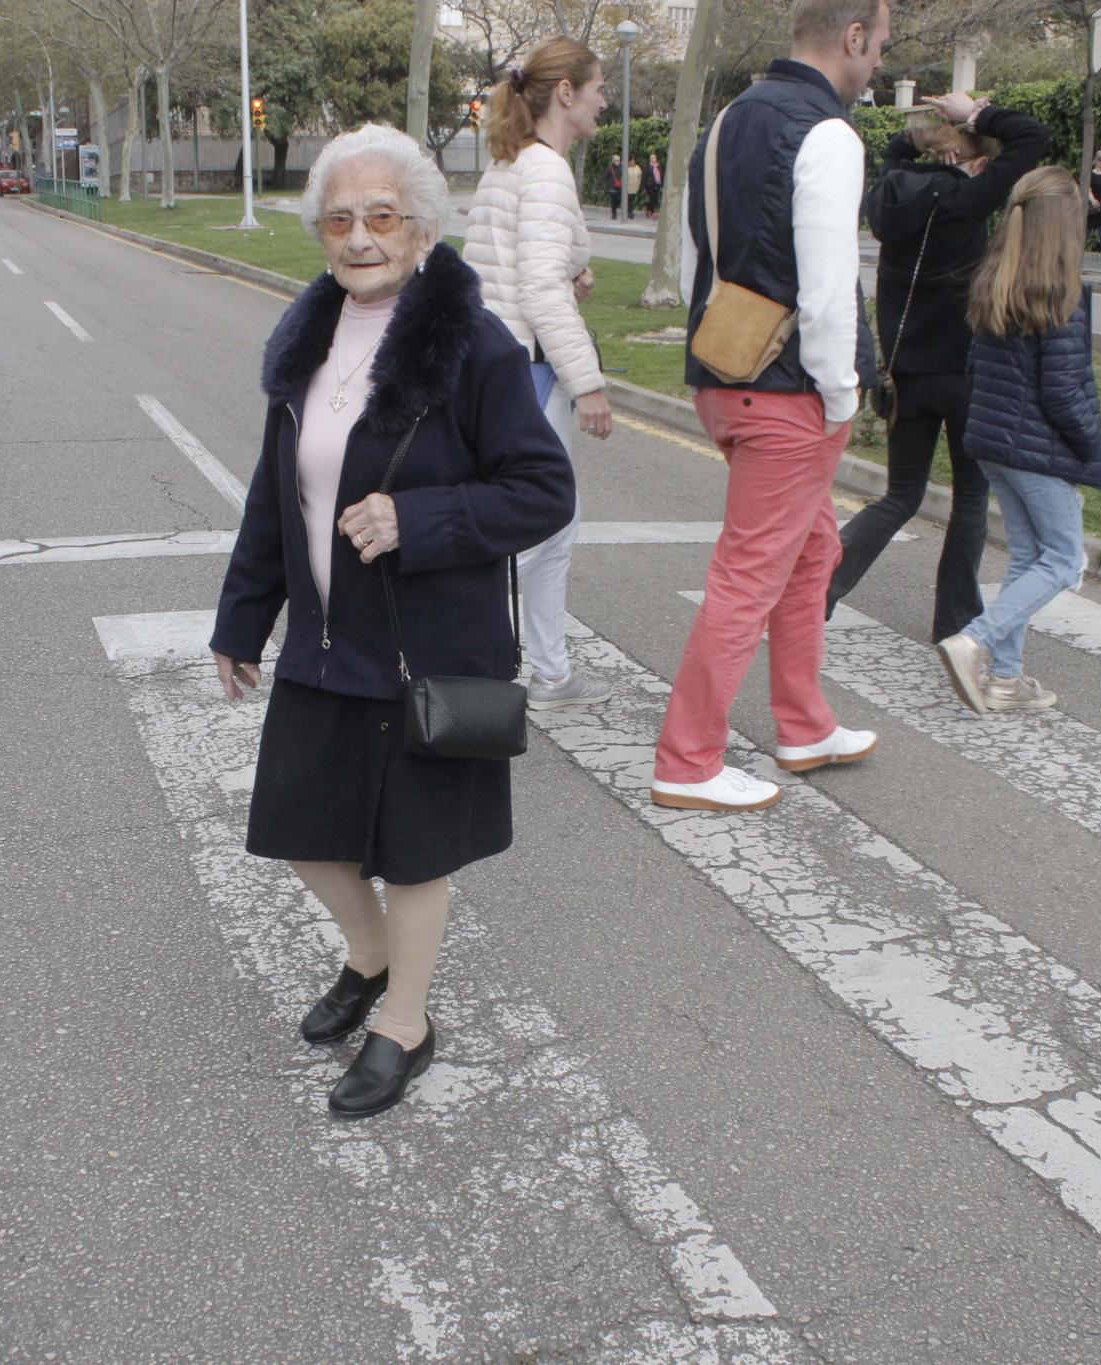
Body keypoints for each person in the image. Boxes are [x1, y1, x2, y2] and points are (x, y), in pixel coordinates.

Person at [210, 124, 576, 1118]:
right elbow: (272, 495)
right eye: (339, 218)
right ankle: (368, 958)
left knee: (414, 853)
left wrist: (419, 518)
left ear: (421, 231)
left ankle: (404, 1024)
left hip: (428, 649)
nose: (358, 237)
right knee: (297, 828)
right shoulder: (308, 337)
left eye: (381, 217)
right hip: (327, 642)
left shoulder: (472, 345)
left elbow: (541, 490)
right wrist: (242, 618)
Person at [650, 0, 888, 814]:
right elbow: (828, 287)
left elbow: (695, 258)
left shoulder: (726, 122)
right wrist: (841, 393)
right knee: (748, 577)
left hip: (726, 371)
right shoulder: (828, 134)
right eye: (879, 44)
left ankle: (804, 722)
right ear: (852, 37)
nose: (878, 62)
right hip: (789, 391)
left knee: (812, 550)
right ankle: (688, 760)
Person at [825, 92, 1050, 644]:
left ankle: (820, 589)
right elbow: (1034, 139)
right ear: (968, 161)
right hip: (964, 371)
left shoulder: (887, 197)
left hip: (905, 373)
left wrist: (937, 134)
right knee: (970, 498)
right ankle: (955, 621)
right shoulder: (965, 201)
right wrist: (972, 113)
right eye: (983, 161)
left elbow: (897, 154)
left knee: (901, 495)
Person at [463, 36, 616, 709]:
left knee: (538, 523)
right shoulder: (547, 171)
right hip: (531, 371)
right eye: (598, 88)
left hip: (497, 365)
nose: (604, 101)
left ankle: (543, 667)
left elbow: (508, 274)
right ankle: (514, 668)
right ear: (565, 93)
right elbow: (539, 291)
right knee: (545, 526)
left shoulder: (508, 164)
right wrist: (590, 383)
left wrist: (566, 274)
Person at [937, 167, 1101, 715]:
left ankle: (1006, 682)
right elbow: (1063, 389)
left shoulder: (994, 280)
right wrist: (1089, 448)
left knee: (1027, 558)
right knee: (1062, 560)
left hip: (990, 441)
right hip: (1038, 448)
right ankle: (976, 641)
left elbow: (974, 365)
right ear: (1065, 225)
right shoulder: (1063, 293)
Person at [644, 150, 664, 215]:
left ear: (656, 158)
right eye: (651, 158)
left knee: (655, 199)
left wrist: (662, 184)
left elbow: (662, 175)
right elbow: (644, 177)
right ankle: (652, 212)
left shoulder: (659, 166)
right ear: (649, 159)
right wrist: (644, 186)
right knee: (652, 198)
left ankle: (648, 209)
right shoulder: (647, 167)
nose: (653, 159)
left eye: (654, 157)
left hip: (657, 185)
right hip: (649, 185)